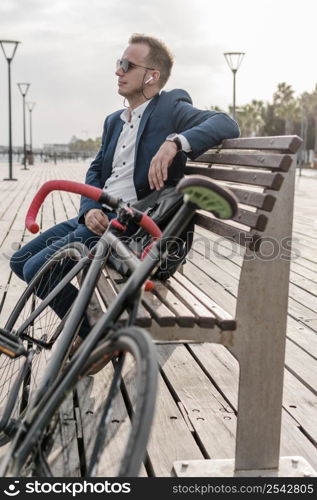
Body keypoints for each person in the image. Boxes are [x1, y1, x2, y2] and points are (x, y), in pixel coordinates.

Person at [10, 33, 239, 352]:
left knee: (37, 268)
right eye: (118, 64)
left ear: (151, 76)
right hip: (97, 217)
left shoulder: (171, 106)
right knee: (20, 260)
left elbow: (226, 124)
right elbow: (95, 170)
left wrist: (175, 142)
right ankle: (90, 327)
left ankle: (93, 332)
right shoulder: (113, 122)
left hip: (130, 230)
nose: (118, 71)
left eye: (126, 65)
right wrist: (88, 207)